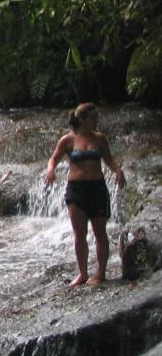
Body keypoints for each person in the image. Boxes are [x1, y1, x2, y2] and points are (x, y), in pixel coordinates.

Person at [45, 102, 126, 287]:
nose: (97, 120)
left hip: (97, 188)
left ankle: (101, 273)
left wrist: (118, 171)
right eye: (93, 117)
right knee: (79, 234)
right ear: (82, 119)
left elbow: (109, 160)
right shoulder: (67, 140)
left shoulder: (100, 139)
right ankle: (82, 274)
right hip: (76, 190)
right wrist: (50, 171)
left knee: (100, 233)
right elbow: (54, 158)